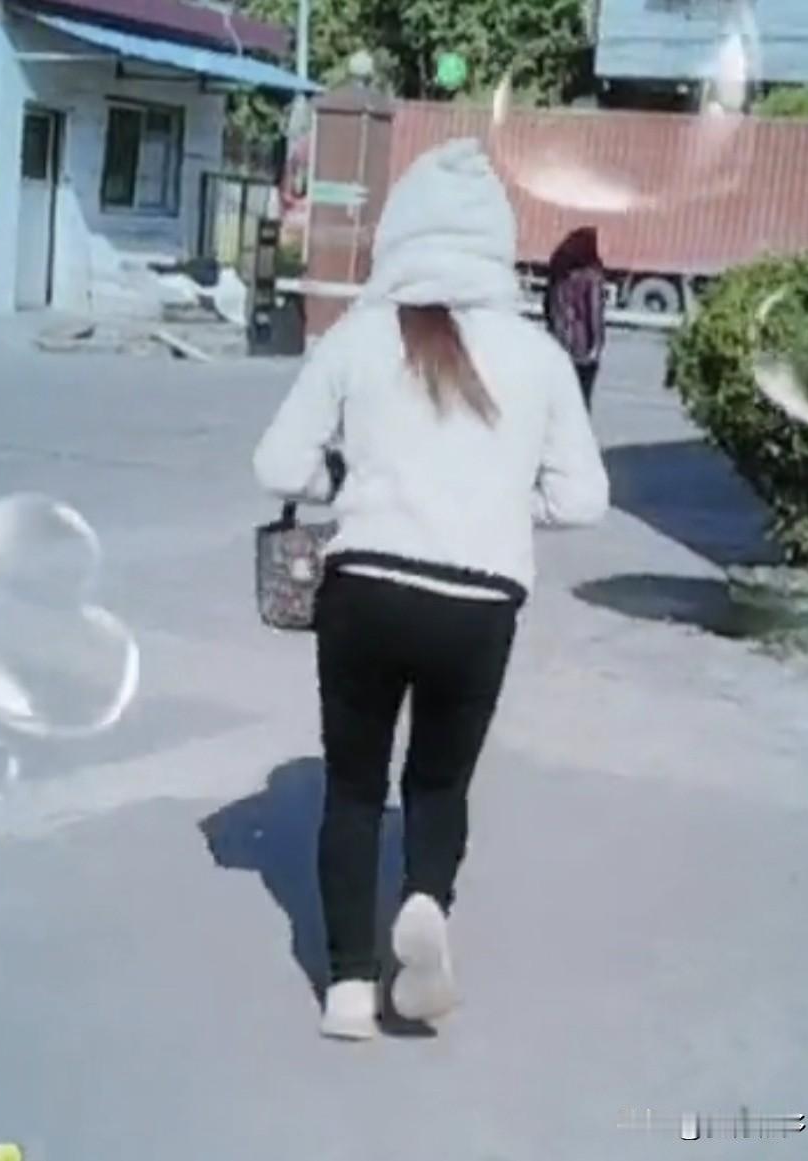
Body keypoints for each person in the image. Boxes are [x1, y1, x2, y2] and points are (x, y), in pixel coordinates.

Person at [252, 139, 609, 1041]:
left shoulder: (357, 337)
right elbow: (583, 499)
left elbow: (276, 465)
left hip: (366, 590)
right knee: (439, 784)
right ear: (495, 243)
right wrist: (502, 502)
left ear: (398, 233)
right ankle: (422, 899)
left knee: (352, 790)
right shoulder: (537, 356)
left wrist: (347, 483)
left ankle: (347, 988)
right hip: (479, 603)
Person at [543, 226, 607, 412]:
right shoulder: (592, 277)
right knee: (582, 402)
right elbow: (594, 313)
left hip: (558, 344)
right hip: (582, 350)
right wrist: (596, 347)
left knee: (559, 400)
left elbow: (547, 307)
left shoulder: (559, 273)